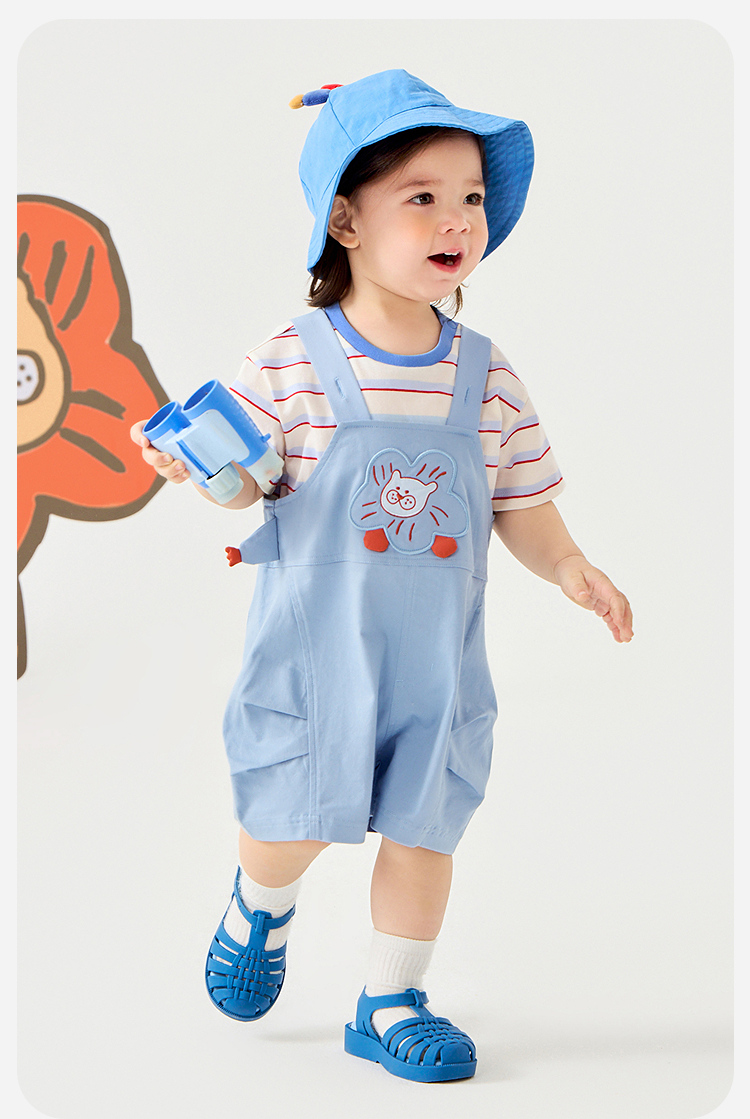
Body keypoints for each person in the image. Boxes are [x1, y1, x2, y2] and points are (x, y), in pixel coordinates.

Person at [131, 70, 633, 1084]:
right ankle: (261, 902)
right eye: (423, 196)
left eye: (472, 197)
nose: (458, 219)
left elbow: (521, 501)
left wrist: (569, 563)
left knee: (424, 832)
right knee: (289, 822)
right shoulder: (291, 359)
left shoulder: (486, 374)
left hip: (435, 670)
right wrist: (202, 469)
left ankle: (390, 1000)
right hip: (315, 658)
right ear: (346, 221)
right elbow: (248, 486)